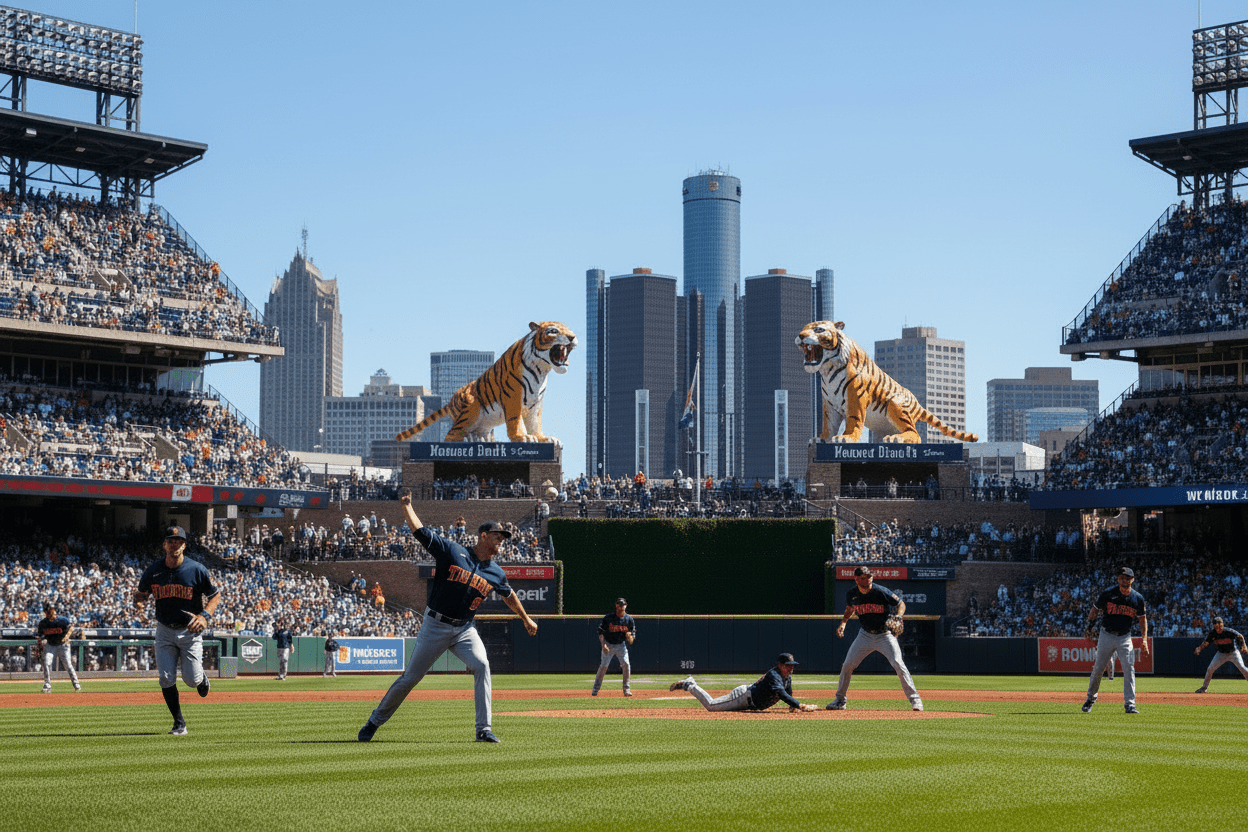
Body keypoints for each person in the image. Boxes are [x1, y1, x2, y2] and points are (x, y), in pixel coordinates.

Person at [358, 491, 539, 744]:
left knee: (482, 666)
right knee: (411, 678)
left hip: (465, 629)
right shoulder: (453, 552)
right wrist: (407, 506)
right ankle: (374, 722)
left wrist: (525, 618)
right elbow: (420, 532)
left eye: (503, 538)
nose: (502, 542)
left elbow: (509, 595)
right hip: (435, 626)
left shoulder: (496, 573)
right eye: (498, 537)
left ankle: (483, 729)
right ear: (484, 536)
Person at [133, 526, 221, 736]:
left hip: (189, 631)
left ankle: (202, 679)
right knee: (165, 678)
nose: (175, 544)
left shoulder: (196, 569)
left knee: (191, 680)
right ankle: (179, 723)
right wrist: (139, 603)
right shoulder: (153, 570)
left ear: (184, 545)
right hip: (164, 630)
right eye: (171, 541)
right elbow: (140, 594)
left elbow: (215, 595)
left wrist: (205, 616)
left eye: (179, 541)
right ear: (164, 544)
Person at [826, 566, 923, 711]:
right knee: (847, 665)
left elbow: (900, 603)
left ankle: (915, 700)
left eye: (870, 576)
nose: (869, 578)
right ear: (857, 579)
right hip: (864, 635)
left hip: (885, 635)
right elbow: (849, 609)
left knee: (898, 663)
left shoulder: (881, 591)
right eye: (865, 577)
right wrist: (843, 623)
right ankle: (840, 700)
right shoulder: (852, 594)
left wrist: (898, 616)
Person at [1082, 566, 1148, 714]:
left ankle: (1130, 704)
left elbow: (1143, 620)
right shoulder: (1108, 593)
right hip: (1106, 635)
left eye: (1127, 578)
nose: (1124, 580)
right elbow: (1094, 610)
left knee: (1129, 669)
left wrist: (1144, 639)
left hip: (1125, 637)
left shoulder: (1137, 598)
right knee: (1098, 668)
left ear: (1132, 580)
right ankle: (1090, 698)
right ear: (1118, 579)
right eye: (1121, 578)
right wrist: (1089, 627)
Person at [668, 653, 819, 713]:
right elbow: (781, 693)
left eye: (792, 665)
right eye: (788, 665)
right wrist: (801, 705)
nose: (791, 668)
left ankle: (690, 684)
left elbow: (788, 690)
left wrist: (793, 706)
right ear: (780, 665)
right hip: (743, 697)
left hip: (751, 703)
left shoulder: (787, 675)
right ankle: (690, 684)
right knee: (711, 706)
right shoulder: (774, 675)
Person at [591, 597, 636, 697]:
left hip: (621, 646)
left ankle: (626, 689)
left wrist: (629, 637)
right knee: (604, 666)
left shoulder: (629, 620)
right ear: (616, 606)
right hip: (609, 644)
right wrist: (603, 645)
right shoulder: (608, 618)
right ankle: (595, 689)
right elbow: (600, 632)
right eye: (618, 605)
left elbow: (632, 640)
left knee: (626, 665)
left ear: (625, 606)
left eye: (622, 605)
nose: (620, 607)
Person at [1193, 617, 1248, 693]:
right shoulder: (1212, 634)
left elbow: (1240, 636)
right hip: (1221, 654)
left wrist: (1244, 646)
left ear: (1222, 624)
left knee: (1243, 668)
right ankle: (1204, 688)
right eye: (1216, 625)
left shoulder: (1228, 631)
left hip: (1233, 653)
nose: (1218, 626)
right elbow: (1206, 643)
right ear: (1214, 626)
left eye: (1219, 624)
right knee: (1210, 669)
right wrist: (1199, 648)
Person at [35, 602, 80, 693]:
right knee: (46, 663)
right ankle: (47, 686)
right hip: (50, 645)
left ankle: (76, 684)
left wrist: (67, 636)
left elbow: (71, 628)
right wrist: (39, 646)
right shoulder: (43, 623)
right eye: (49, 613)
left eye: (52, 612)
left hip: (63, 645)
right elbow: (39, 636)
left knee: (68, 665)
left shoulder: (62, 620)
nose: (51, 614)